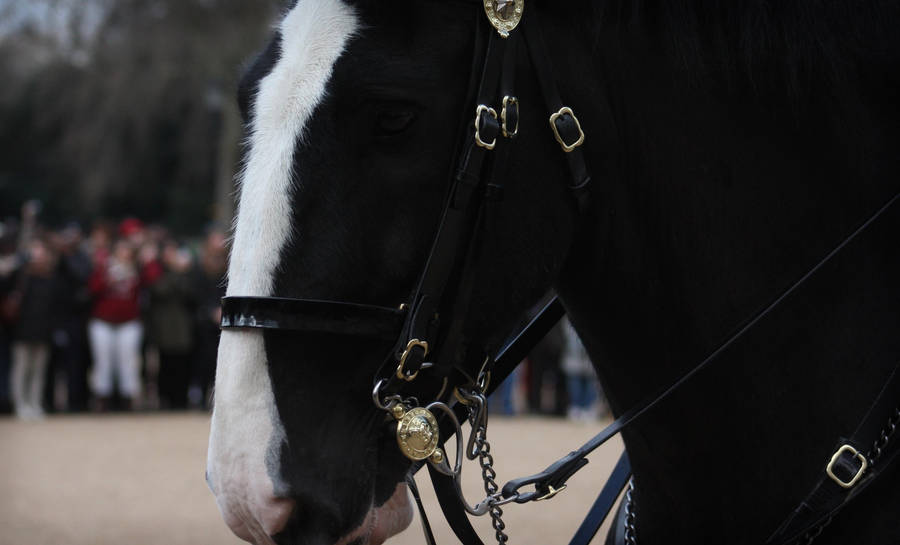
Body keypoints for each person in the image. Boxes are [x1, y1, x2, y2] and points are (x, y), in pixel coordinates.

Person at [87, 231, 160, 411]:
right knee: (103, 360)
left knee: (128, 361)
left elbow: (153, 278)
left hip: (129, 322)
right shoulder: (104, 267)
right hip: (103, 321)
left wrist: (149, 260)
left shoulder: (137, 269)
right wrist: (106, 278)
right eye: (120, 250)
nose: (123, 254)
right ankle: (103, 398)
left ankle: (128, 398)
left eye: (127, 250)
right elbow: (92, 288)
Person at [9, 238, 60, 420]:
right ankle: (20, 403)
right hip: (22, 329)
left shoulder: (51, 277)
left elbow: (55, 305)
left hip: (43, 329)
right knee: (22, 367)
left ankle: (35, 402)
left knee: (38, 370)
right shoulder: (21, 276)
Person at [148, 240, 195, 409]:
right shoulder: (157, 272)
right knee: (165, 365)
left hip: (182, 328)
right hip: (164, 328)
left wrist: (181, 273)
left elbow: (189, 294)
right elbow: (160, 290)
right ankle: (164, 399)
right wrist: (176, 273)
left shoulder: (187, 274)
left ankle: (181, 399)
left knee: (182, 365)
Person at [190, 228, 227, 409]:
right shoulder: (198, 268)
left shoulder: (229, 266)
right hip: (203, 323)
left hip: (223, 321)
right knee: (203, 358)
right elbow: (194, 296)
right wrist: (209, 311)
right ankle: (198, 393)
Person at [560, 318, 606, 422]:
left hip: (590, 360)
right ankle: (576, 409)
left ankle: (589, 409)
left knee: (590, 384)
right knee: (575, 384)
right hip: (573, 357)